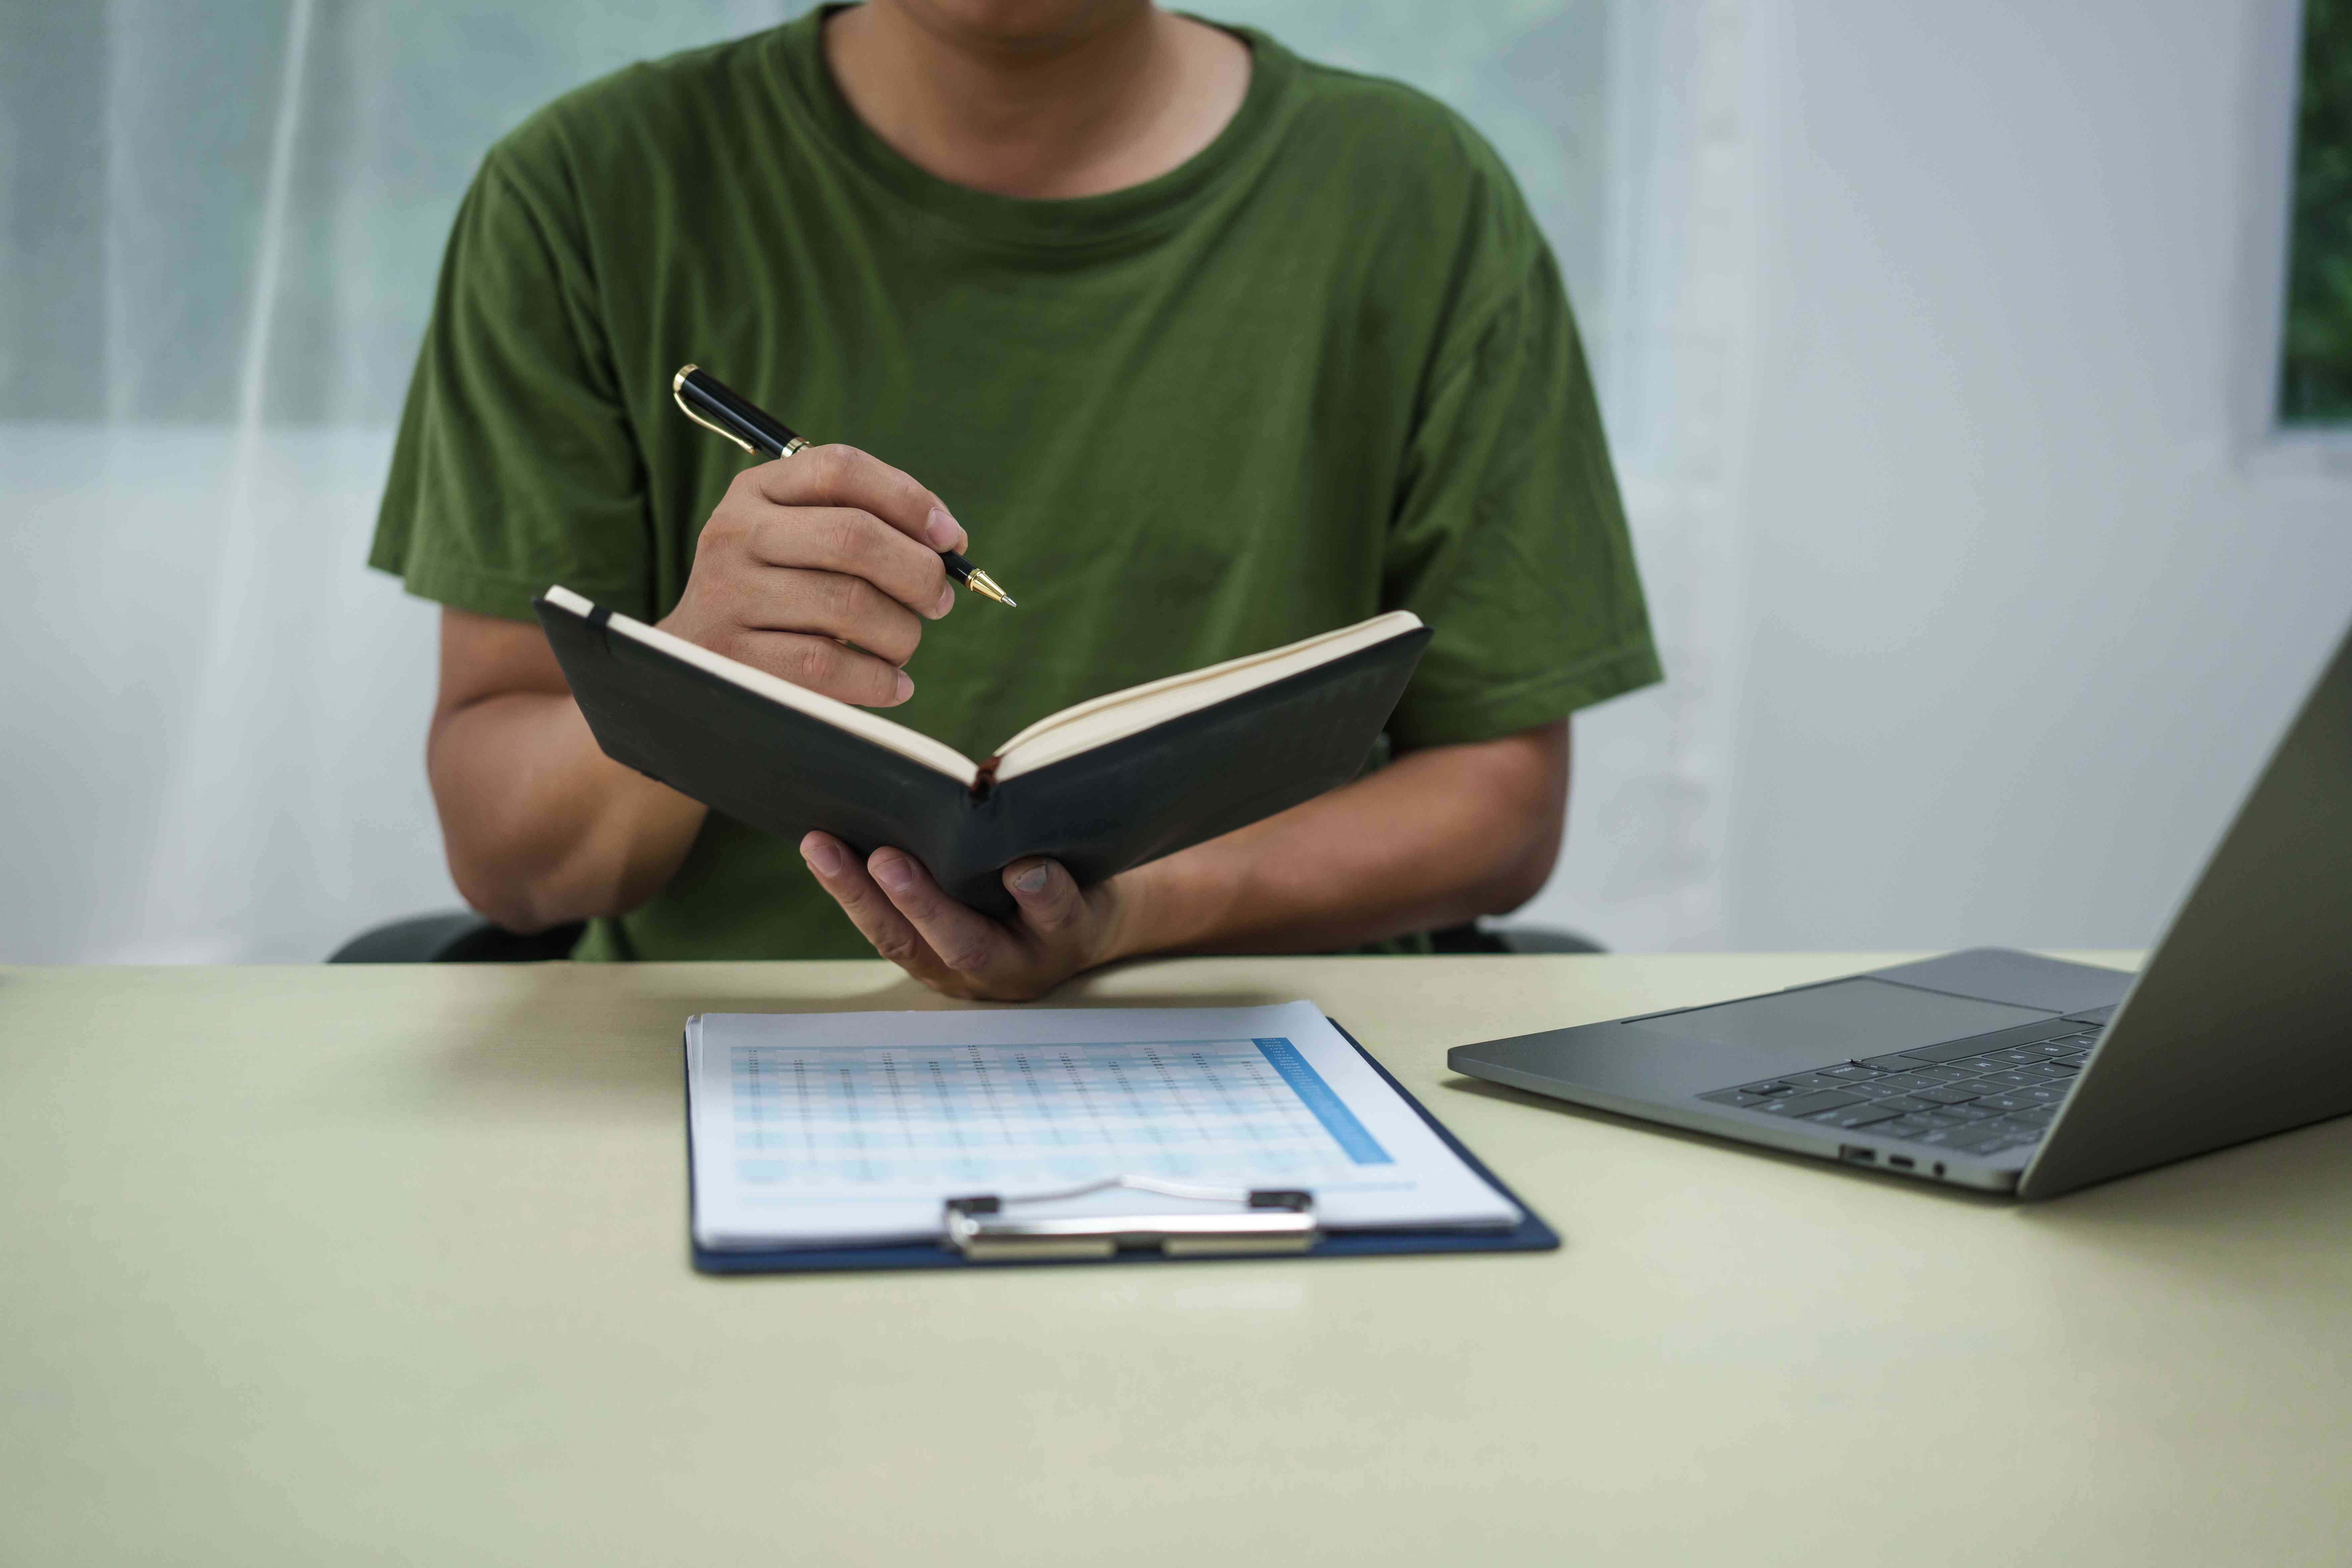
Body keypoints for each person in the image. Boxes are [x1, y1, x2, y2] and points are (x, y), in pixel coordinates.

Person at [371, 0, 1661, 999]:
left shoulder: (1416, 196)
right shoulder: (583, 195)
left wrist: (1133, 915)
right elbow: (510, 859)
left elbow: (1500, 802)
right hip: (717, 1078)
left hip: (1260, 1065)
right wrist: (698, 670)